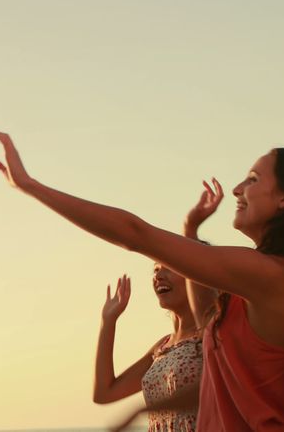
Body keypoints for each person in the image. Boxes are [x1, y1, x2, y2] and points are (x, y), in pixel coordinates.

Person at [0, 131, 284, 431]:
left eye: (252, 179)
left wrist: (30, 186)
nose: (237, 189)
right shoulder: (267, 284)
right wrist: (149, 406)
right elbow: (228, 378)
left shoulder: (273, 276)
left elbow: (135, 234)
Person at [95, 181, 222, 432]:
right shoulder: (163, 346)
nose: (158, 276)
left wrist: (190, 232)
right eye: (155, 269)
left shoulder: (214, 334)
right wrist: (108, 322)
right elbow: (104, 393)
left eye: (168, 267)